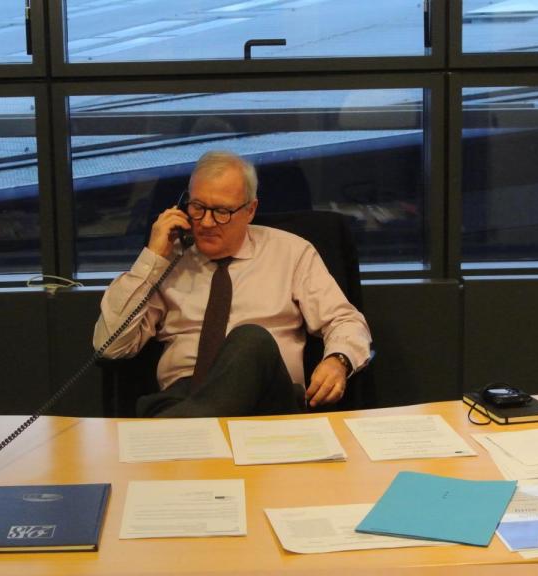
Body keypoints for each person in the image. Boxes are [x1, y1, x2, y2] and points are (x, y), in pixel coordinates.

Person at [93, 150, 372, 417]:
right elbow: (110, 346)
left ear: (250, 210)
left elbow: (345, 320)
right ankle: (190, 427)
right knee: (191, 400)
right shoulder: (169, 260)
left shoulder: (291, 252)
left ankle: (174, 434)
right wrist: (152, 258)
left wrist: (338, 360)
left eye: (221, 211)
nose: (206, 223)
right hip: (182, 398)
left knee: (251, 339)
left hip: (268, 405)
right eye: (198, 207)